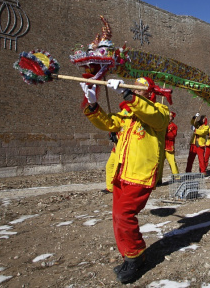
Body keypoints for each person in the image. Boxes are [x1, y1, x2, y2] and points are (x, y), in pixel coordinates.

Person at [80, 77, 170, 283]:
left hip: (140, 173)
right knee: (117, 216)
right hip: (122, 172)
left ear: (150, 92)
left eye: (140, 88)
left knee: (124, 215)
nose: (136, 90)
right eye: (133, 87)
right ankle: (130, 255)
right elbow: (109, 123)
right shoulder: (127, 113)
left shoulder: (160, 111)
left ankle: (136, 257)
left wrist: (129, 96)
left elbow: (155, 118)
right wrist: (93, 104)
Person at [163, 111, 179, 180]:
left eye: (170, 116)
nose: (169, 118)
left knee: (172, 162)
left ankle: (176, 177)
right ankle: (158, 179)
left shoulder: (174, 126)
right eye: (168, 116)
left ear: (172, 118)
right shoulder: (163, 124)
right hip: (162, 146)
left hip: (169, 146)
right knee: (160, 165)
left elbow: (172, 135)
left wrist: (164, 133)